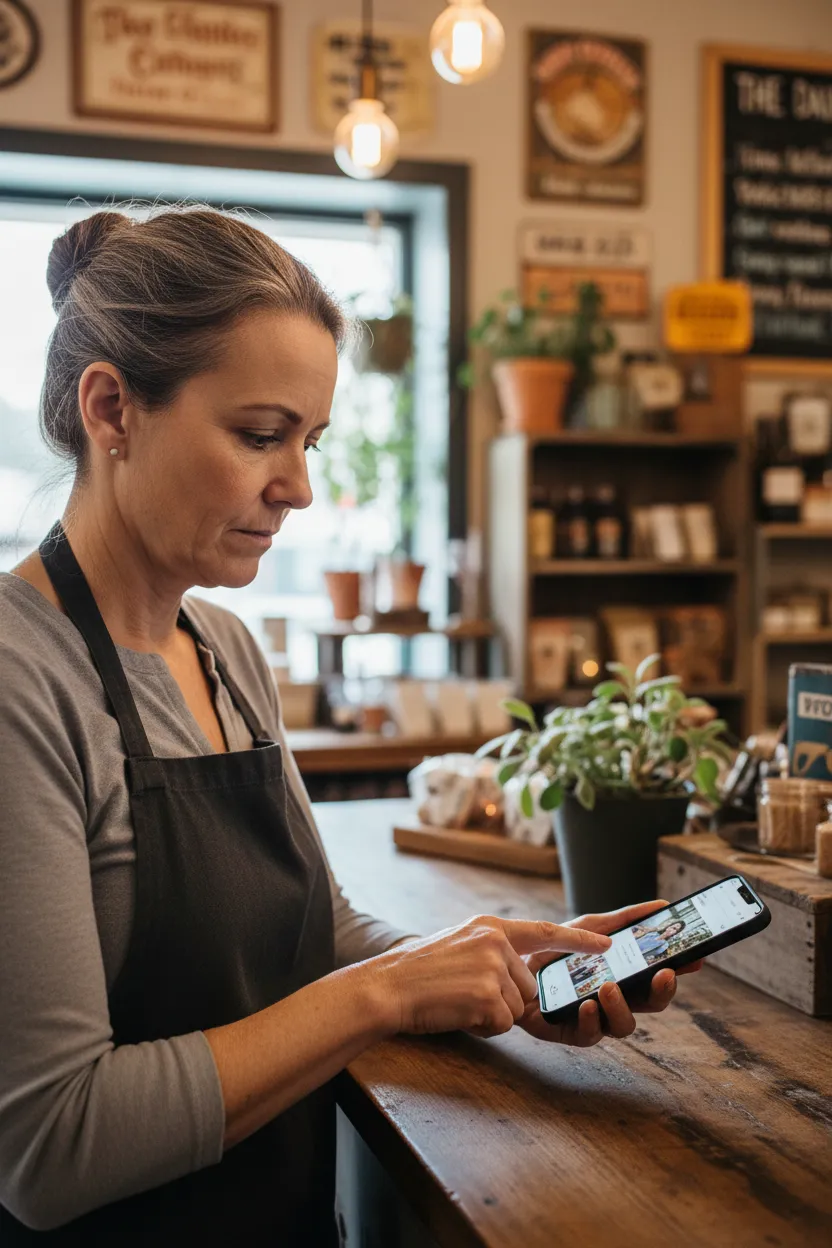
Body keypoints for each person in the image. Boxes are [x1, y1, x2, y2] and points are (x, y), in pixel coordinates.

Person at [0, 206, 699, 1243]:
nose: (300, 488)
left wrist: (477, 967)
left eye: (311, 439)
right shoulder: (21, 681)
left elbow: (315, 935)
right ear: (112, 408)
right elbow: (48, 1149)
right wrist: (384, 994)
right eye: (259, 435)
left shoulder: (228, 651)